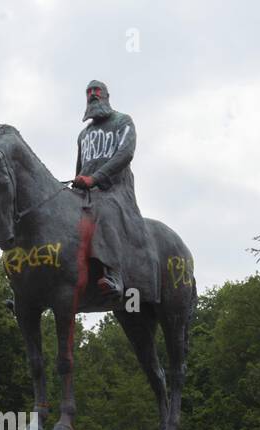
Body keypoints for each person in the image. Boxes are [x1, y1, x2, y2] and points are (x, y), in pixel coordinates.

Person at [73, 79, 158, 304]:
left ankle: (115, 274)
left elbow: (125, 154)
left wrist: (95, 179)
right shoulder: (83, 135)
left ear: (106, 96)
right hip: (87, 193)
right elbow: (80, 167)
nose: (92, 95)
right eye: (89, 92)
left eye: (96, 91)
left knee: (105, 209)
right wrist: (78, 183)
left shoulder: (123, 121)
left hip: (116, 191)